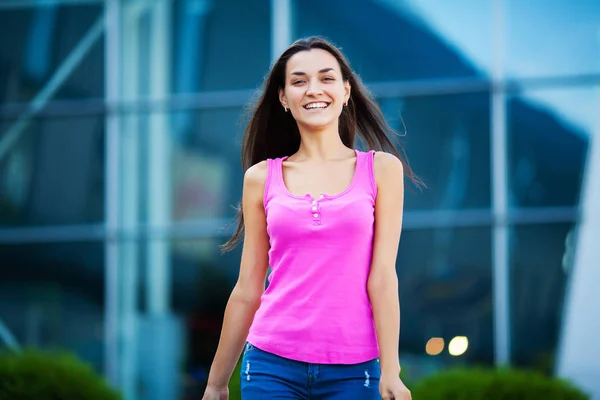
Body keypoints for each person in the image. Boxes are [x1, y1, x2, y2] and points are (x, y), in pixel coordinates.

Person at [202, 36, 421, 400]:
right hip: (271, 364)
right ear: (284, 98)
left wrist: (392, 371)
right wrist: (216, 382)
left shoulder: (381, 170)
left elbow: (382, 278)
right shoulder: (260, 178)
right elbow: (247, 288)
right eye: (299, 81)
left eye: (326, 78)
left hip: (355, 370)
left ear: (346, 91)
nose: (313, 90)